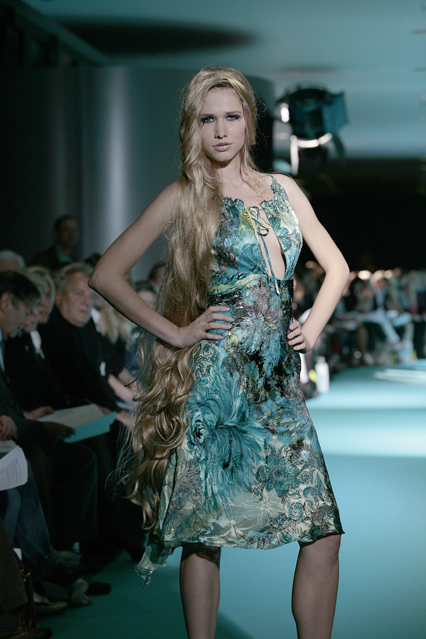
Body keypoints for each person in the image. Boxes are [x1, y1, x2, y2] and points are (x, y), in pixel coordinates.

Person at [90, 66, 349, 639]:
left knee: (323, 533)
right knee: (204, 535)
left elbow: (338, 267)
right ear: (193, 127)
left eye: (232, 117)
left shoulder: (284, 189)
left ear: (250, 122)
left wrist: (312, 325)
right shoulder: (185, 195)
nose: (221, 130)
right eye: (208, 119)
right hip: (215, 387)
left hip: (279, 389)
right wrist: (177, 333)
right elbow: (105, 274)